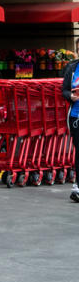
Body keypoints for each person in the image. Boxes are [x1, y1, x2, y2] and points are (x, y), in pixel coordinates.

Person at [62, 48, 79, 202]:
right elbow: (64, 90)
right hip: (75, 116)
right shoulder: (72, 68)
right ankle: (78, 186)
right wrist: (71, 96)